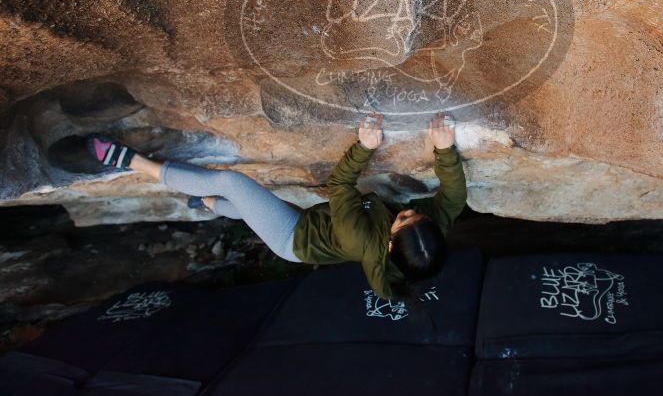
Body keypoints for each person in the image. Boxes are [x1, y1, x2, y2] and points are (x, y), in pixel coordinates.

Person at [86, 112, 467, 299]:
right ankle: (205, 203)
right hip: (316, 222)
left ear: (388, 244)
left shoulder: (360, 238)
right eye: (416, 213)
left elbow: (340, 183)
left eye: (402, 218)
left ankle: (129, 161)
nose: (408, 211)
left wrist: (364, 146)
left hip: (292, 239)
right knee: (250, 204)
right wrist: (444, 146)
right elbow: (453, 197)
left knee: (231, 183)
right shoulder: (425, 233)